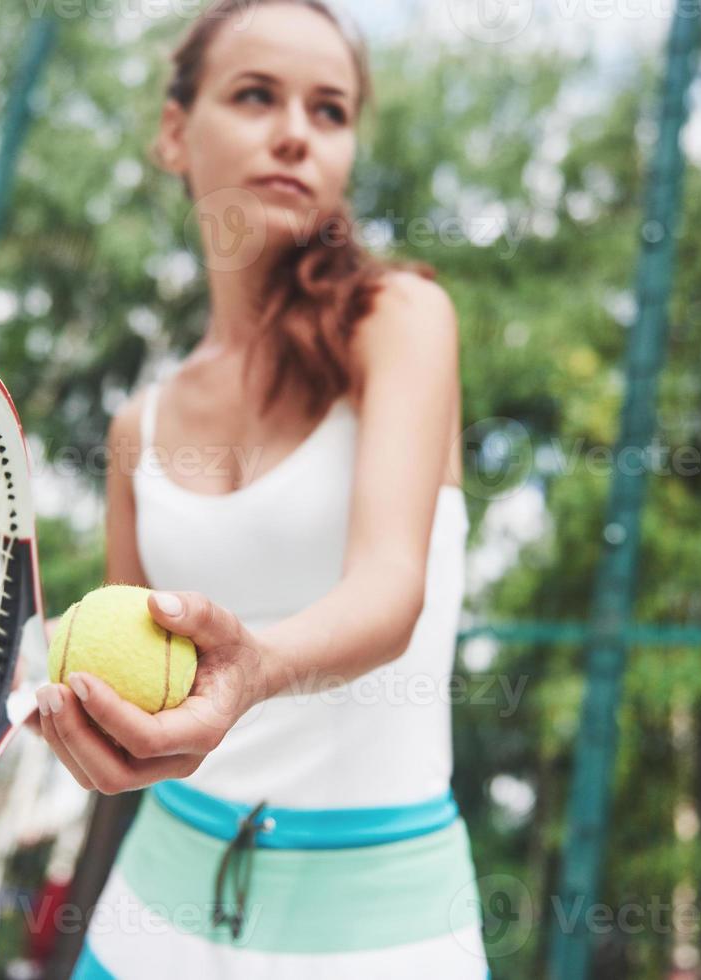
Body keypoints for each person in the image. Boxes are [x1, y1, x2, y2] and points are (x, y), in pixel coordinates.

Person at [33, 1, 487, 975]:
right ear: (171, 132)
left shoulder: (402, 317)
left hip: (382, 928)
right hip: (141, 920)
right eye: (253, 95)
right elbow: (117, 704)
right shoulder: (136, 430)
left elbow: (388, 590)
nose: (294, 130)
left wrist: (256, 667)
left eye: (328, 111)